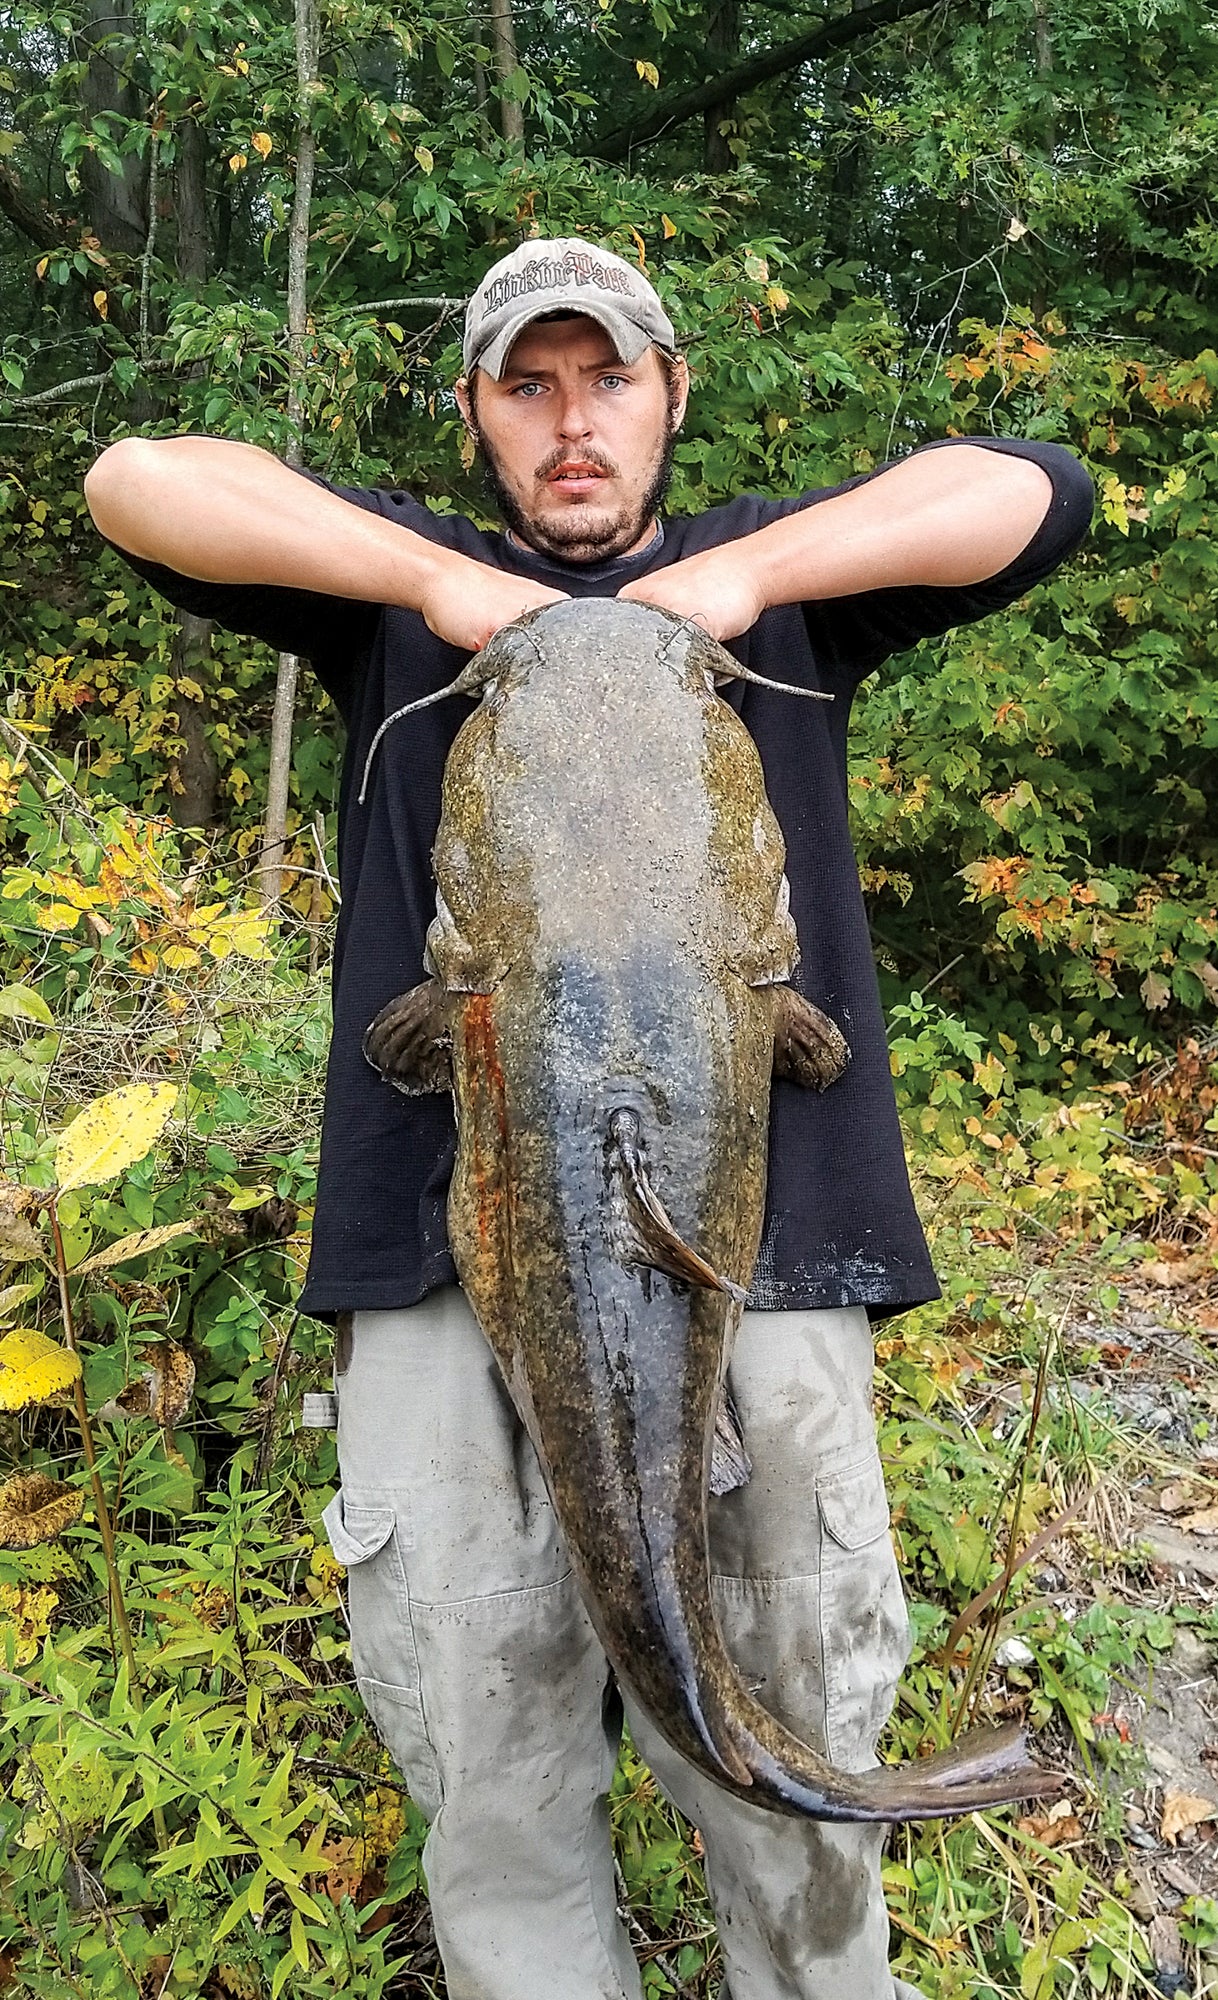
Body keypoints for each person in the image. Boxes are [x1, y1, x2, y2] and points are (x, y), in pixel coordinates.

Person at [84, 236, 1093, 2000]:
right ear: (475, 414)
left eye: (607, 379)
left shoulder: (778, 598)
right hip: (434, 1263)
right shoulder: (400, 594)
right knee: (494, 1773)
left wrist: (722, 587)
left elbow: (1033, 487)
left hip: (762, 1262)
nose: (570, 424)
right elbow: (134, 478)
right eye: (526, 385)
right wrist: (457, 603)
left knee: (793, 1743)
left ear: (671, 395)